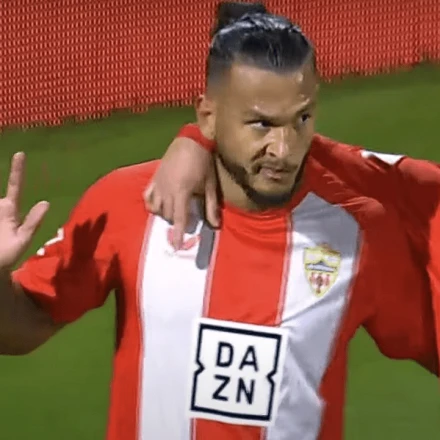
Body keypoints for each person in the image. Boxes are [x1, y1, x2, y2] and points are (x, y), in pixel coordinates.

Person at [0, 8, 438, 440]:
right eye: (262, 124)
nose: (284, 149)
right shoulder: (130, 204)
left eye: (301, 119)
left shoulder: (356, 232)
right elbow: (22, 328)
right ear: (207, 117)